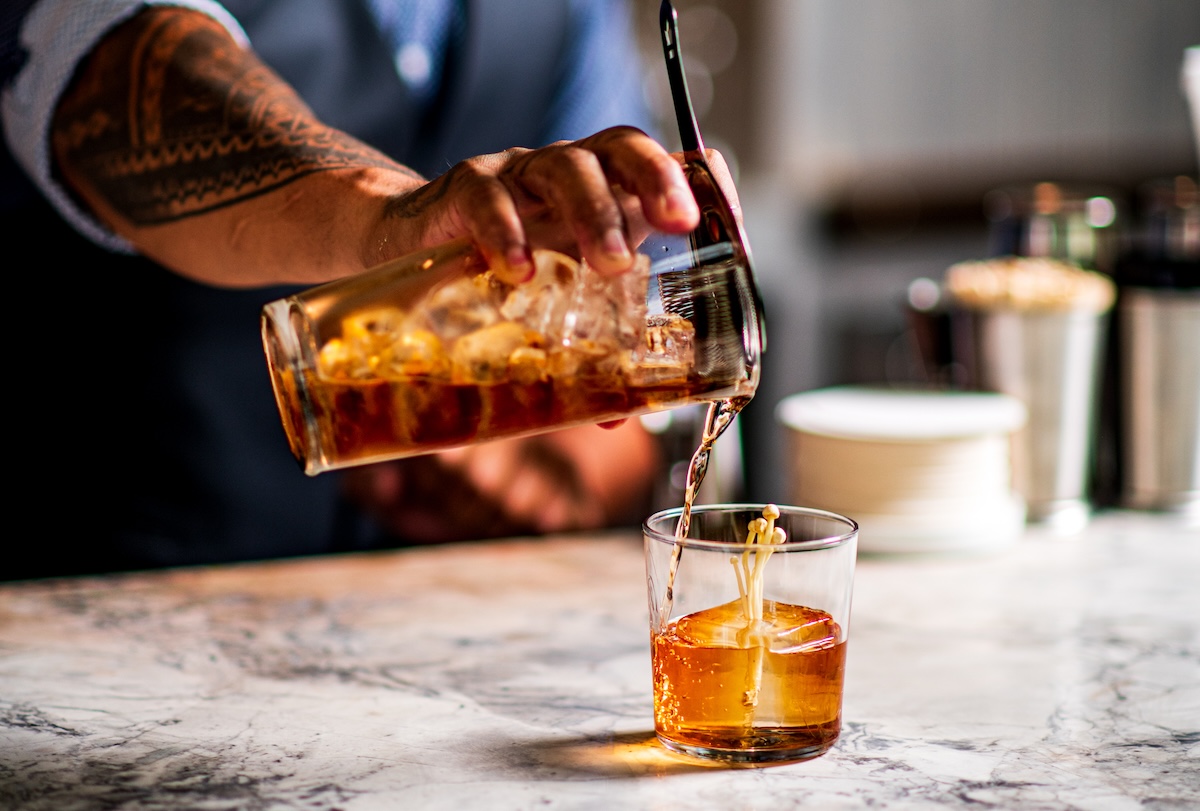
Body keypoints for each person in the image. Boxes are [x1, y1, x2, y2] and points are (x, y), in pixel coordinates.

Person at [1, 0, 728, 579]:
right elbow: (105, 61)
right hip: (104, 596)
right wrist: (394, 219)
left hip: (407, 646)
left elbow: (639, 328)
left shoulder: (573, 14)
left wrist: (582, 464)